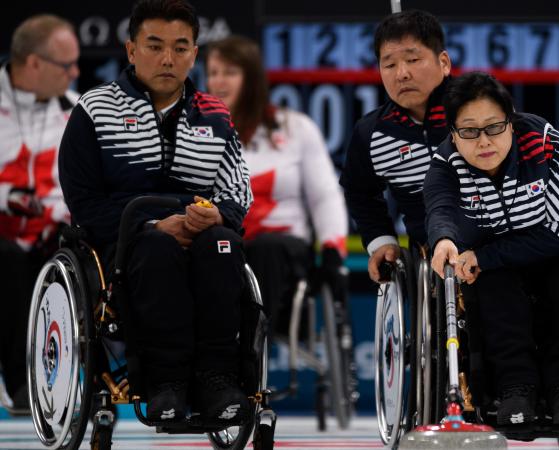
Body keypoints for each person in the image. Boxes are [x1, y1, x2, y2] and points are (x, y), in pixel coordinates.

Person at [58, 0, 253, 423]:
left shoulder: (216, 115)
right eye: (155, 46)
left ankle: (218, 378)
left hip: (201, 235)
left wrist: (218, 215)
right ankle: (167, 383)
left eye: (181, 48)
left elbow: (238, 187)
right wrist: (150, 224)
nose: (168, 58)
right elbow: (83, 201)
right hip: (125, 246)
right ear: (131, 51)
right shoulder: (94, 109)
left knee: (223, 245)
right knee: (157, 248)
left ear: (194, 54)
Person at [425, 71, 559, 427]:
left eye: (494, 127)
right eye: (470, 131)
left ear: (511, 122)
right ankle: (514, 387)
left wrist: (487, 255)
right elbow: (440, 208)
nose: (483, 141)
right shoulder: (446, 162)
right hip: (499, 267)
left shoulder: (543, 141)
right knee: (485, 277)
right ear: (454, 134)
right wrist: (444, 240)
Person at [205, 35, 348, 331]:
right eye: (213, 72)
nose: (219, 82)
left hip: (284, 253)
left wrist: (333, 250)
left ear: (252, 79)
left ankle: (250, 350)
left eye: (230, 73)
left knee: (265, 249)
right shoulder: (198, 133)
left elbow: (325, 196)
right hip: (225, 247)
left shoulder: (296, 128)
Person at [0, 14, 79, 415]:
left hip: (52, 237)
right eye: (67, 66)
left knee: (71, 251)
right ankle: (20, 385)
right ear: (33, 64)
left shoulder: (80, 111)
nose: (76, 72)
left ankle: (52, 384)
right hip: (3, 239)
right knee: (9, 258)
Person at [339, 9, 451, 280]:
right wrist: (381, 240)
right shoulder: (371, 132)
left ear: (444, 63)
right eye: (389, 65)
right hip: (427, 258)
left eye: (413, 59)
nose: (402, 73)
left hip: (492, 246)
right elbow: (359, 193)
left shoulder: (477, 110)